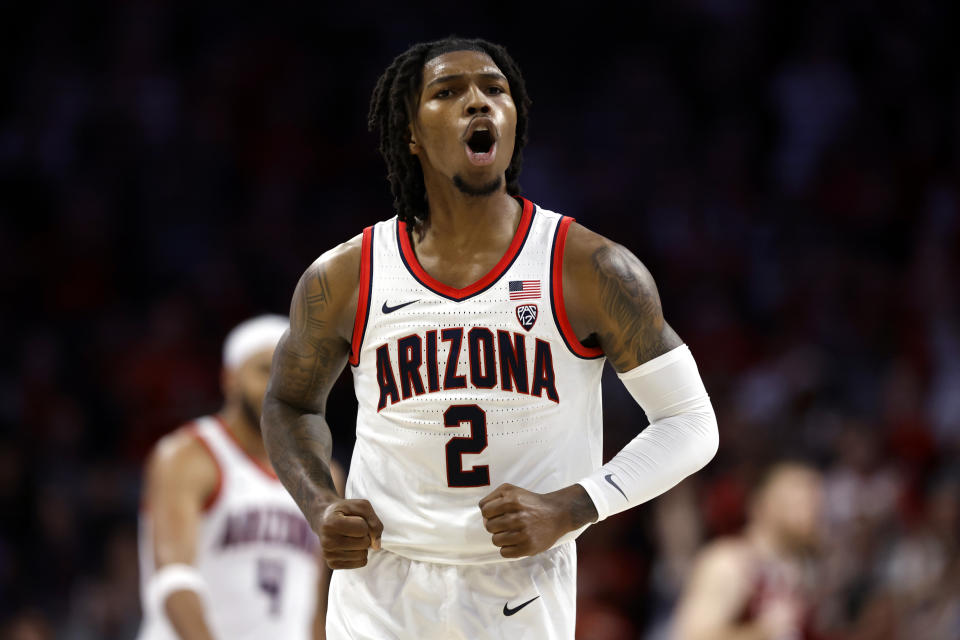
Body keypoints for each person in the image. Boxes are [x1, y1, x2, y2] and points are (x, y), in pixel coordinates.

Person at [261, 37, 719, 639]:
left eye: (493, 89)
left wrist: (574, 506)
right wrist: (320, 505)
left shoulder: (590, 269)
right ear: (411, 134)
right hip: (382, 584)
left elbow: (691, 423)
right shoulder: (346, 275)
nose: (478, 102)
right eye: (448, 92)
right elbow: (289, 403)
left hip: (519, 583)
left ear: (513, 118)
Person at [137, 315, 343, 640]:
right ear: (229, 378)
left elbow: (311, 606)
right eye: (265, 369)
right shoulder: (189, 455)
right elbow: (173, 578)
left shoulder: (324, 474)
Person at [672, 462, 824, 640]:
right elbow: (690, 636)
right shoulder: (728, 562)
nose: (810, 508)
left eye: (815, 501)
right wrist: (761, 631)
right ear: (762, 502)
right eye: (798, 499)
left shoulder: (802, 568)